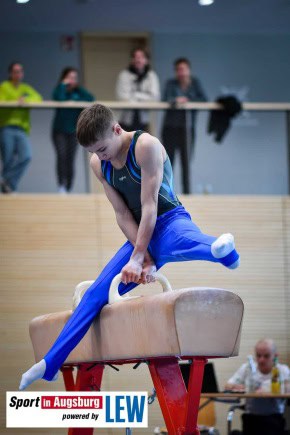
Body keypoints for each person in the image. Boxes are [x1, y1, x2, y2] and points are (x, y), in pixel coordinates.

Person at [19, 103, 240, 390]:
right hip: (137, 236)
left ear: (116, 129)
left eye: (102, 148)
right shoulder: (99, 164)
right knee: (97, 293)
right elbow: (123, 214)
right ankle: (50, 361)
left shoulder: (145, 145)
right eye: (94, 152)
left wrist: (138, 259)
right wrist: (143, 255)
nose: (100, 156)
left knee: (186, 242)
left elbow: (150, 207)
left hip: (169, 220)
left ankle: (222, 251)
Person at [225, 339, 290, 435]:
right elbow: (228, 385)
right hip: (251, 419)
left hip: (274, 418)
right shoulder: (247, 368)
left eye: (266, 356)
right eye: (258, 355)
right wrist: (237, 386)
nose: (261, 360)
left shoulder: (282, 370)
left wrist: (267, 393)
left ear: (275, 356)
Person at [162, 57, 207, 193]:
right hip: (170, 128)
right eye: (178, 70)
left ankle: (187, 194)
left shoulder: (195, 83)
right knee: (168, 163)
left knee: (186, 163)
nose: (181, 72)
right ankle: (167, 194)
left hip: (187, 128)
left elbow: (204, 99)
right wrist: (176, 100)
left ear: (189, 70)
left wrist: (188, 100)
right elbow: (165, 99)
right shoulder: (170, 83)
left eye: (183, 69)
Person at [0, 62, 42, 193]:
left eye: (20, 71)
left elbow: (38, 98)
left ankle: (5, 179)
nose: (18, 74)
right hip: (6, 127)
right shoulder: (4, 86)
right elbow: (3, 99)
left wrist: (26, 100)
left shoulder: (25, 88)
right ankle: (8, 189)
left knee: (26, 156)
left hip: (22, 129)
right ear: (10, 73)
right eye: (15, 71)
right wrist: (17, 100)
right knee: (8, 159)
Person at [52, 67, 94, 193]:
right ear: (64, 78)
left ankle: (68, 187)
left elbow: (90, 98)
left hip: (74, 132)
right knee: (61, 156)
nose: (72, 80)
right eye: (69, 77)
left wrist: (78, 87)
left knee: (70, 159)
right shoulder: (60, 90)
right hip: (59, 130)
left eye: (74, 78)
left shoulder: (79, 93)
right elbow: (58, 98)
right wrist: (63, 85)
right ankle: (61, 186)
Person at [116, 47, 160, 131]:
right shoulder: (124, 75)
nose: (138, 59)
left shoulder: (152, 76)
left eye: (141, 57)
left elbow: (155, 97)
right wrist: (145, 97)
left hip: (144, 121)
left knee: (143, 143)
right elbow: (122, 97)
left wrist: (136, 95)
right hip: (125, 121)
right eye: (135, 57)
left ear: (146, 60)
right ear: (132, 60)